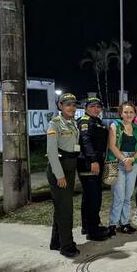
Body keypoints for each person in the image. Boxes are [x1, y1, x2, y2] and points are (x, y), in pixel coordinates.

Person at [47, 93, 81, 258]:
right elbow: (52, 153)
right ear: (60, 106)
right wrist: (59, 175)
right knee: (65, 209)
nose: (71, 108)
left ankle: (56, 242)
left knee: (61, 208)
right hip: (59, 170)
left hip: (70, 167)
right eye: (67, 104)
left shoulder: (72, 123)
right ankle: (67, 246)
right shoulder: (55, 124)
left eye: (74, 105)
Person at [107, 101, 137, 236]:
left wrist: (132, 160)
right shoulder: (115, 126)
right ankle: (112, 224)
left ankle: (125, 223)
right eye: (125, 112)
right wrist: (124, 160)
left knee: (128, 195)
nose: (128, 114)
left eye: (131, 112)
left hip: (132, 162)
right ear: (121, 113)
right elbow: (112, 146)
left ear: (135, 114)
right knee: (119, 196)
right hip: (117, 162)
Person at [77, 96, 110, 241]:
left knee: (89, 196)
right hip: (89, 162)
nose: (96, 109)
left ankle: (88, 226)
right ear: (85, 108)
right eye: (92, 106)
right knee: (94, 196)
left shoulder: (98, 122)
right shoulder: (84, 121)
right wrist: (93, 160)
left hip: (96, 161)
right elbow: (85, 141)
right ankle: (93, 231)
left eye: (98, 106)